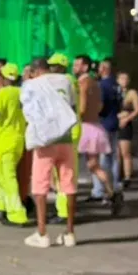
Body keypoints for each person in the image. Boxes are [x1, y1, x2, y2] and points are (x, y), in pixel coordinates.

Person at [20, 58, 77, 247]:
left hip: (45, 141)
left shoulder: (32, 84)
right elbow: (72, 105)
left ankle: (42, 233)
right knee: (68, 185)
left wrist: (27, 81)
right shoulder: (66, 80)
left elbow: (28, 110)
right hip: (66, 139)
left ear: (35, 71)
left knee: (40, 187)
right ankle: (69, 233)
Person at [74, 55, 123, 214]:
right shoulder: (96, 83)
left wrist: (73, 117)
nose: (74, 67)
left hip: (85, 127)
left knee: (69, 162)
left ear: (85, 67)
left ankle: (68, 198)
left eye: (77, 65)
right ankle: (112, 193)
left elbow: (81, 108)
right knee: (94, 165)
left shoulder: (83, 83)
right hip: (96, 126)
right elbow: (100, 105)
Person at [0, 62, 27, 226]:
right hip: (17, 140)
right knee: (1, 177)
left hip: (2, 142)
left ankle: (16, 213)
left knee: (7, 177)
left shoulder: (3, 93)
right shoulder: (23, 92)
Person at [46, 53, 80, 224]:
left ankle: (64, 212)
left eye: (54, 66)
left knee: (64, 174)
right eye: (50, 65)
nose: (51, 69)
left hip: (67, 131)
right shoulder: (66, 80)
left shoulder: (65, 81)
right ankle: (64, 209)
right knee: (61, 173)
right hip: (65, 130)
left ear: (62, 67)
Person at [90, 56, 123, 201]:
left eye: (99, 67)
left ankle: (101, 190)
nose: (98, 70)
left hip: (103, 124)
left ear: (104, 69)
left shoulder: (102, 85)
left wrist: (92, 114)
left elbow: (100, 105)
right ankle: (114, 186)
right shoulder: (116, 84)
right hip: (114, 122)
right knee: (112, 158)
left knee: (101, 159)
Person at [116, 71, 138, 187]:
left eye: (126, 79)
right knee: (116, 152)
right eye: (121, 78)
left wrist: (127, 119)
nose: (123, 81)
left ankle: (127, 177)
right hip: (115, 123)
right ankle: (117, 175)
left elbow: (137, 109)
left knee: (125, 152)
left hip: (126, 124)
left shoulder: (132, 93)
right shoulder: (114, 92)